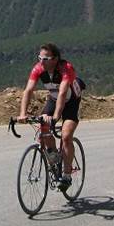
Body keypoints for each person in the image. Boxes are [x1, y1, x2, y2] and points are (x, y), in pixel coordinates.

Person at [18, 43, 83, 190]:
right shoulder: (38, 69)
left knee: (66, 136)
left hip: (71, 101)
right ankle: (54, 156)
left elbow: (62, 93)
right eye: (39, 57)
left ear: (55, 59)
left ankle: (67, 175)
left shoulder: (66, 68)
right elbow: (28, 90)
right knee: (43, 130)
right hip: (53, 99)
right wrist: (22, 113)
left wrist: (55, 117)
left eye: (45, 59)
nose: (41, 61)